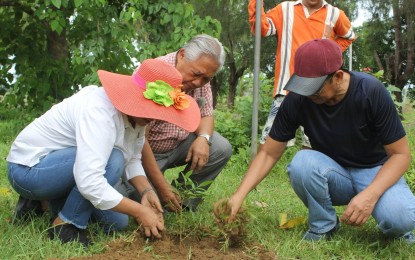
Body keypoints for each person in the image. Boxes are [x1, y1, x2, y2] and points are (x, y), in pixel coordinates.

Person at [226, 39, 415, 243]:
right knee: (301, 163)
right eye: (303, 86)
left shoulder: (370, 91)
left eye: (314, 88)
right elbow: (268, 152)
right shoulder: (298, 99)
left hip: (374, 171)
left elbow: (401, 155)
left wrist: (370, 195)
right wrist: (239, 195)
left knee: (402, 219)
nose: (307, 94)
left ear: (338, 76)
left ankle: (395, 226)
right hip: (331, 171)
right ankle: (324, 225)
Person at [7, 59, 201, 246]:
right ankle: (65, 225)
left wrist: (147, 191)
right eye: (151, 110)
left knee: (116, 223)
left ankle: (47, 204)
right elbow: (90, 181)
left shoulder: (139, 118)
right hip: (29, 169)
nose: (154, 117)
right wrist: (140, 212)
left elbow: (133, 158)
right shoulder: (100, 112)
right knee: (114, 159)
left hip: (65, 168)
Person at [117, 34, 232, 212]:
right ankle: (163, 194)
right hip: (144, 154)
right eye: (196, 75)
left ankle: (182, 202)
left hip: (178, 147)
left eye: (206, 79)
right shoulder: (152, 72)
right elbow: (140, 141)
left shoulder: (202, 76)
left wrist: (203, 138)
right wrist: (162, 187)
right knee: (128, 198)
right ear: (182, 55)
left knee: (220, 147)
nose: (198, 83)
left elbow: (206, 115)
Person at [249, 0, 356, 146]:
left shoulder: (335, 14)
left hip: (319, 91)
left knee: (316, 144)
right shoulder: (285, 9)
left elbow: (349, 36)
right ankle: (259, 169)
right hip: (286, 87)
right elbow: (262, 29)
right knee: (270, 140)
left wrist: (329, 53)